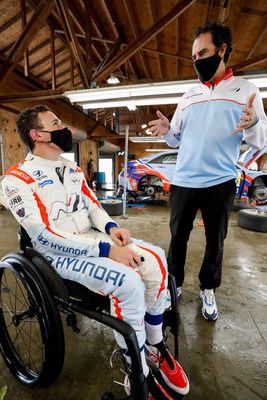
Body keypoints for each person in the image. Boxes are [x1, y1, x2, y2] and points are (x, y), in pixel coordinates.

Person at [0, 105, 189, 399]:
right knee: (128, 282)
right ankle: (134, 365)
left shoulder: (73, 169)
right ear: (37, 134)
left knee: (155, 259)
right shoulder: (15, 180)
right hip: (55, 255)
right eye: (56, 123)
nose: (64, 128)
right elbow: (44, 236)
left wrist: (112, 228)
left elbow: (92, 206)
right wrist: (107, 250)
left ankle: (154, 346)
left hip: (93, 238)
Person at [148, 22, 267, 321]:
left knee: (216, 240)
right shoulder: (188, 96)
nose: (198, 61)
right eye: (194, 57)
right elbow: (176, 138)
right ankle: (173, 284)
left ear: (222, 50)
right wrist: (166, 131)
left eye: (203, 53)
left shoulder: (246, 90)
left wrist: (253, 122)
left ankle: (208, 288)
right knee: (178, 237)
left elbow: (261, 141)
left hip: (220, 182)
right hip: (184, 180)